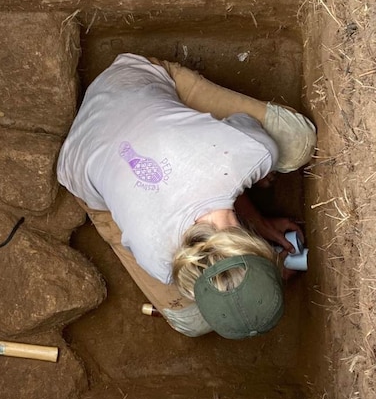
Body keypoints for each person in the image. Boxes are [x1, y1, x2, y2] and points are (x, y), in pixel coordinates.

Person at [56, 53, 316, 338]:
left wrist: (260, 215)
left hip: (118, 101)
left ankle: (176, 105)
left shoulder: (251, 154)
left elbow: (211, 183)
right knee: (193, 321)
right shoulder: (157, 258)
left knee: (297, 140)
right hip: (85, 153)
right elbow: (206, 196)